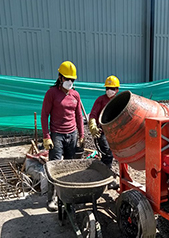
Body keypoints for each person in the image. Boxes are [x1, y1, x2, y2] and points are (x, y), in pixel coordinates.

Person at [41, 61, 84, 211]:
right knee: (55, 166)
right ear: (60, 77)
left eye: (72, 79)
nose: (70, 82)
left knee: (71, 166)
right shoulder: (51, 93)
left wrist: (81, 135)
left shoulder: (75, 95)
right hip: (57, 134)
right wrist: (47, 136)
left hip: (72, 134)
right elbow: (44, 115)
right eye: (67, 78)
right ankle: (52, 198)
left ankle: (69, 195)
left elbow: (79, 116)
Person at [88, 75, 120, 190]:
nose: (109, 91)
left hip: (115, 133)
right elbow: (93, 114)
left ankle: (104, 173)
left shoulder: (118, 101)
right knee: (107, 154)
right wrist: (92, 124)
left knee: (115, 156)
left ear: (117, 89)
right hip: (103, 132)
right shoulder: (101, 100)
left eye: (111, 88)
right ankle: (108, 180)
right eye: (107, 88)